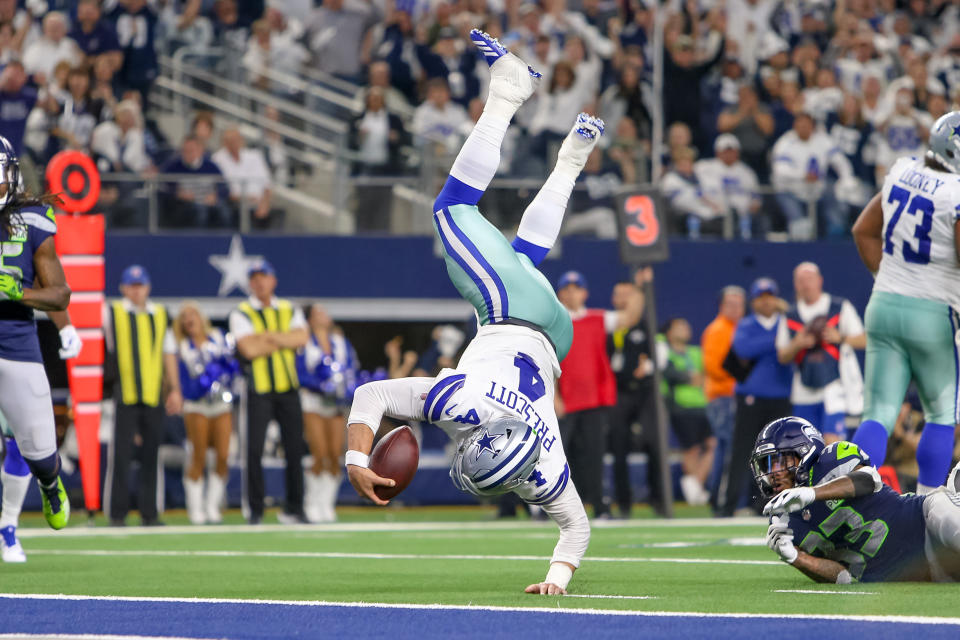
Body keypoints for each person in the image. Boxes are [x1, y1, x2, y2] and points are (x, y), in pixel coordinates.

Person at [345, 30, 598, 595]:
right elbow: (370, 397)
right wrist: (354, 457)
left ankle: (573, 158)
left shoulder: (544, 467)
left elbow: (577, 530)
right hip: (514, 314)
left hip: (559, 337)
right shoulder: (463, 403)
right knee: (452, 207)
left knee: (525, 258)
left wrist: (558, 580)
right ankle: (508, 93)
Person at [849, 111, 960, 495]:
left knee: (877, 413)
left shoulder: (902, 171)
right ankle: (929, 507)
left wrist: (891, 280)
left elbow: (862, 230)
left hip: (883, 304)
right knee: (942, 414)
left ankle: (853, 503)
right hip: (933, 314)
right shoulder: (955, 193)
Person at [755, 417, 960, 583]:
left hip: (924, 527)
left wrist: (812, 493)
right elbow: (843, 577)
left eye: (779, 460)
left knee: (942, 510)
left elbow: (870, 480)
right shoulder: (784, 522)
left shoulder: (831, 459)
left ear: (803, 452)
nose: (772, 473)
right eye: (766, 465)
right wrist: (797, 559)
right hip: (914, 574)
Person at [0, 135, 71, 532]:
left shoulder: (32, 218)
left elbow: (60, 295)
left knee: (41, 453)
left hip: (16, 344)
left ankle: (49, 483)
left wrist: (17, 291)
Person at [555, 269, 644, 518]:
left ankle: (599, 506)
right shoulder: (554, 322)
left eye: (576, 288)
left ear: (584, 293)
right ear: (560, 294)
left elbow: (630, 316)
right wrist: (554, 397)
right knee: (560, 456)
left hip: (593, 400)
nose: (571, 293)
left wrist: (639, 287)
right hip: (566, 400)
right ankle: (558, 508)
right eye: (567, 289)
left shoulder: (597, 318)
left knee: (595, 455)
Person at [229, 259, 309, 524]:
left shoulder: (288, 308)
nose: (259, 282)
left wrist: (265, 337)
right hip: (258, 389)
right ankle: (255, 510)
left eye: (264, 276)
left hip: (288, 387)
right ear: (250, 283)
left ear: (273, 280)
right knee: (253, 450)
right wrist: (281, 338)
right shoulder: (241, 312)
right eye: (254, 277)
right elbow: (248, 350)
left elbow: (300, 338)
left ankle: (295, 508)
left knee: (295, 449)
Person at [103, 265, 182, 526]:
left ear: (147, 287)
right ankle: (117, 513)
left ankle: (150, 513)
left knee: (151, 455)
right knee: (121, 457)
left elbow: (168, 353)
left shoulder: (159, 314)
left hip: (152, 395)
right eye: (132, 285)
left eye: (141, 285)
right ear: (124, 288)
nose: (137, 290)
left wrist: (174, 390)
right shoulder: (112, 312)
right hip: (124, 393)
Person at [1, 308, 81, 561]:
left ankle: (8, 527)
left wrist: (65, 326)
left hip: (12, 350)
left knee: (21, 446)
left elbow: (54, 290)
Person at [719, 278, 792, 516]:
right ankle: (729, 505)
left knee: (776, 455)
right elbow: (743, 349)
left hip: (781, 396)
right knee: (742, 451)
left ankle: (766, 503)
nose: (766, 301)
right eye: (761, 297)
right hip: (751, 397)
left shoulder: (785, 322)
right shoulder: (747, 324)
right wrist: (778, 342)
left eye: (770, 296)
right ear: (754, 302)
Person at [776, 262, 866, 445]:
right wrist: (797, 343)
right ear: (795, 285)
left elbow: (864, 340)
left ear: (819, 281)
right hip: (803, 391)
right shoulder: (790, 315)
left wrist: (840, 337)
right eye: (801, 281)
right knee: (805, 445)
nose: (806, 285)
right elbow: (782, 356)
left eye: (809, 279)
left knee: (833, 444)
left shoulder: (839, 307)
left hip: (834, 388)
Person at [174, 302, 238, 525]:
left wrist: (222, 374)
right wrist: (201, 383)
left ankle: (212, 505)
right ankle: (196, 507)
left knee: (222, 455)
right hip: (196, 404)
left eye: (192, 314)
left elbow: (231, 365)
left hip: (221, 403)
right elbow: (182, 379)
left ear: (201, 318)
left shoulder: (218, 338)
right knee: (198, 455)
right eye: (184, 316)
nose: (188, 319)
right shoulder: (181, 347)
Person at [296, 304, 357, 523]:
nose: (325, 316)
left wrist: (343, 386)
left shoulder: (340, 342)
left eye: (325, 312)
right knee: (319, 453)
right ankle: (311, 503)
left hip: (335, 404)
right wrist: (321, 385)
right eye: (319, 313)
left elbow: (350, 368)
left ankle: (327, 505)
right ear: (310, 320)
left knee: (334, 454)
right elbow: (299, 372)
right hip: (312, 402)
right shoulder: (303, 342)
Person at [607, 274, 656, 518]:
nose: (623, 299)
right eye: (619, 295)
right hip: (616, 394)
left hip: (643, 393)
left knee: (653, 442)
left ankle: (658, 500)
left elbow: (657, 354)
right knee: (618, 448)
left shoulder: (643, 325)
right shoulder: (606, 325)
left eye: (629, 295)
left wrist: (646, 366)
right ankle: (623, 504)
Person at [658, 317, 715, 506]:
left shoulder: (695, 352)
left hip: (701, 404)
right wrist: (688, 377)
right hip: (680, 406)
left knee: (711, 444)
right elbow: (670, 373)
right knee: (691, 449)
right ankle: (695, 490)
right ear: (669, 332)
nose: (684, 329)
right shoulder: (666, 351)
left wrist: (694, 378)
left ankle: (694, 484)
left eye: (686, 326)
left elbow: (704, 374)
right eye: (679, 326)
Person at [701, 285, 745, 507]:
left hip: (729, 396)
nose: (736, 308)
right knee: (728, 447)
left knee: (726, 446)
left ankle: (719, 495)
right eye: (731, 304)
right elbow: (713, 367)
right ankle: (719, 495)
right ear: (721, 306)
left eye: (739, 304)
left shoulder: (738, 328)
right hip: (723, 397)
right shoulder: (719, 329)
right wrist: (743, 377)